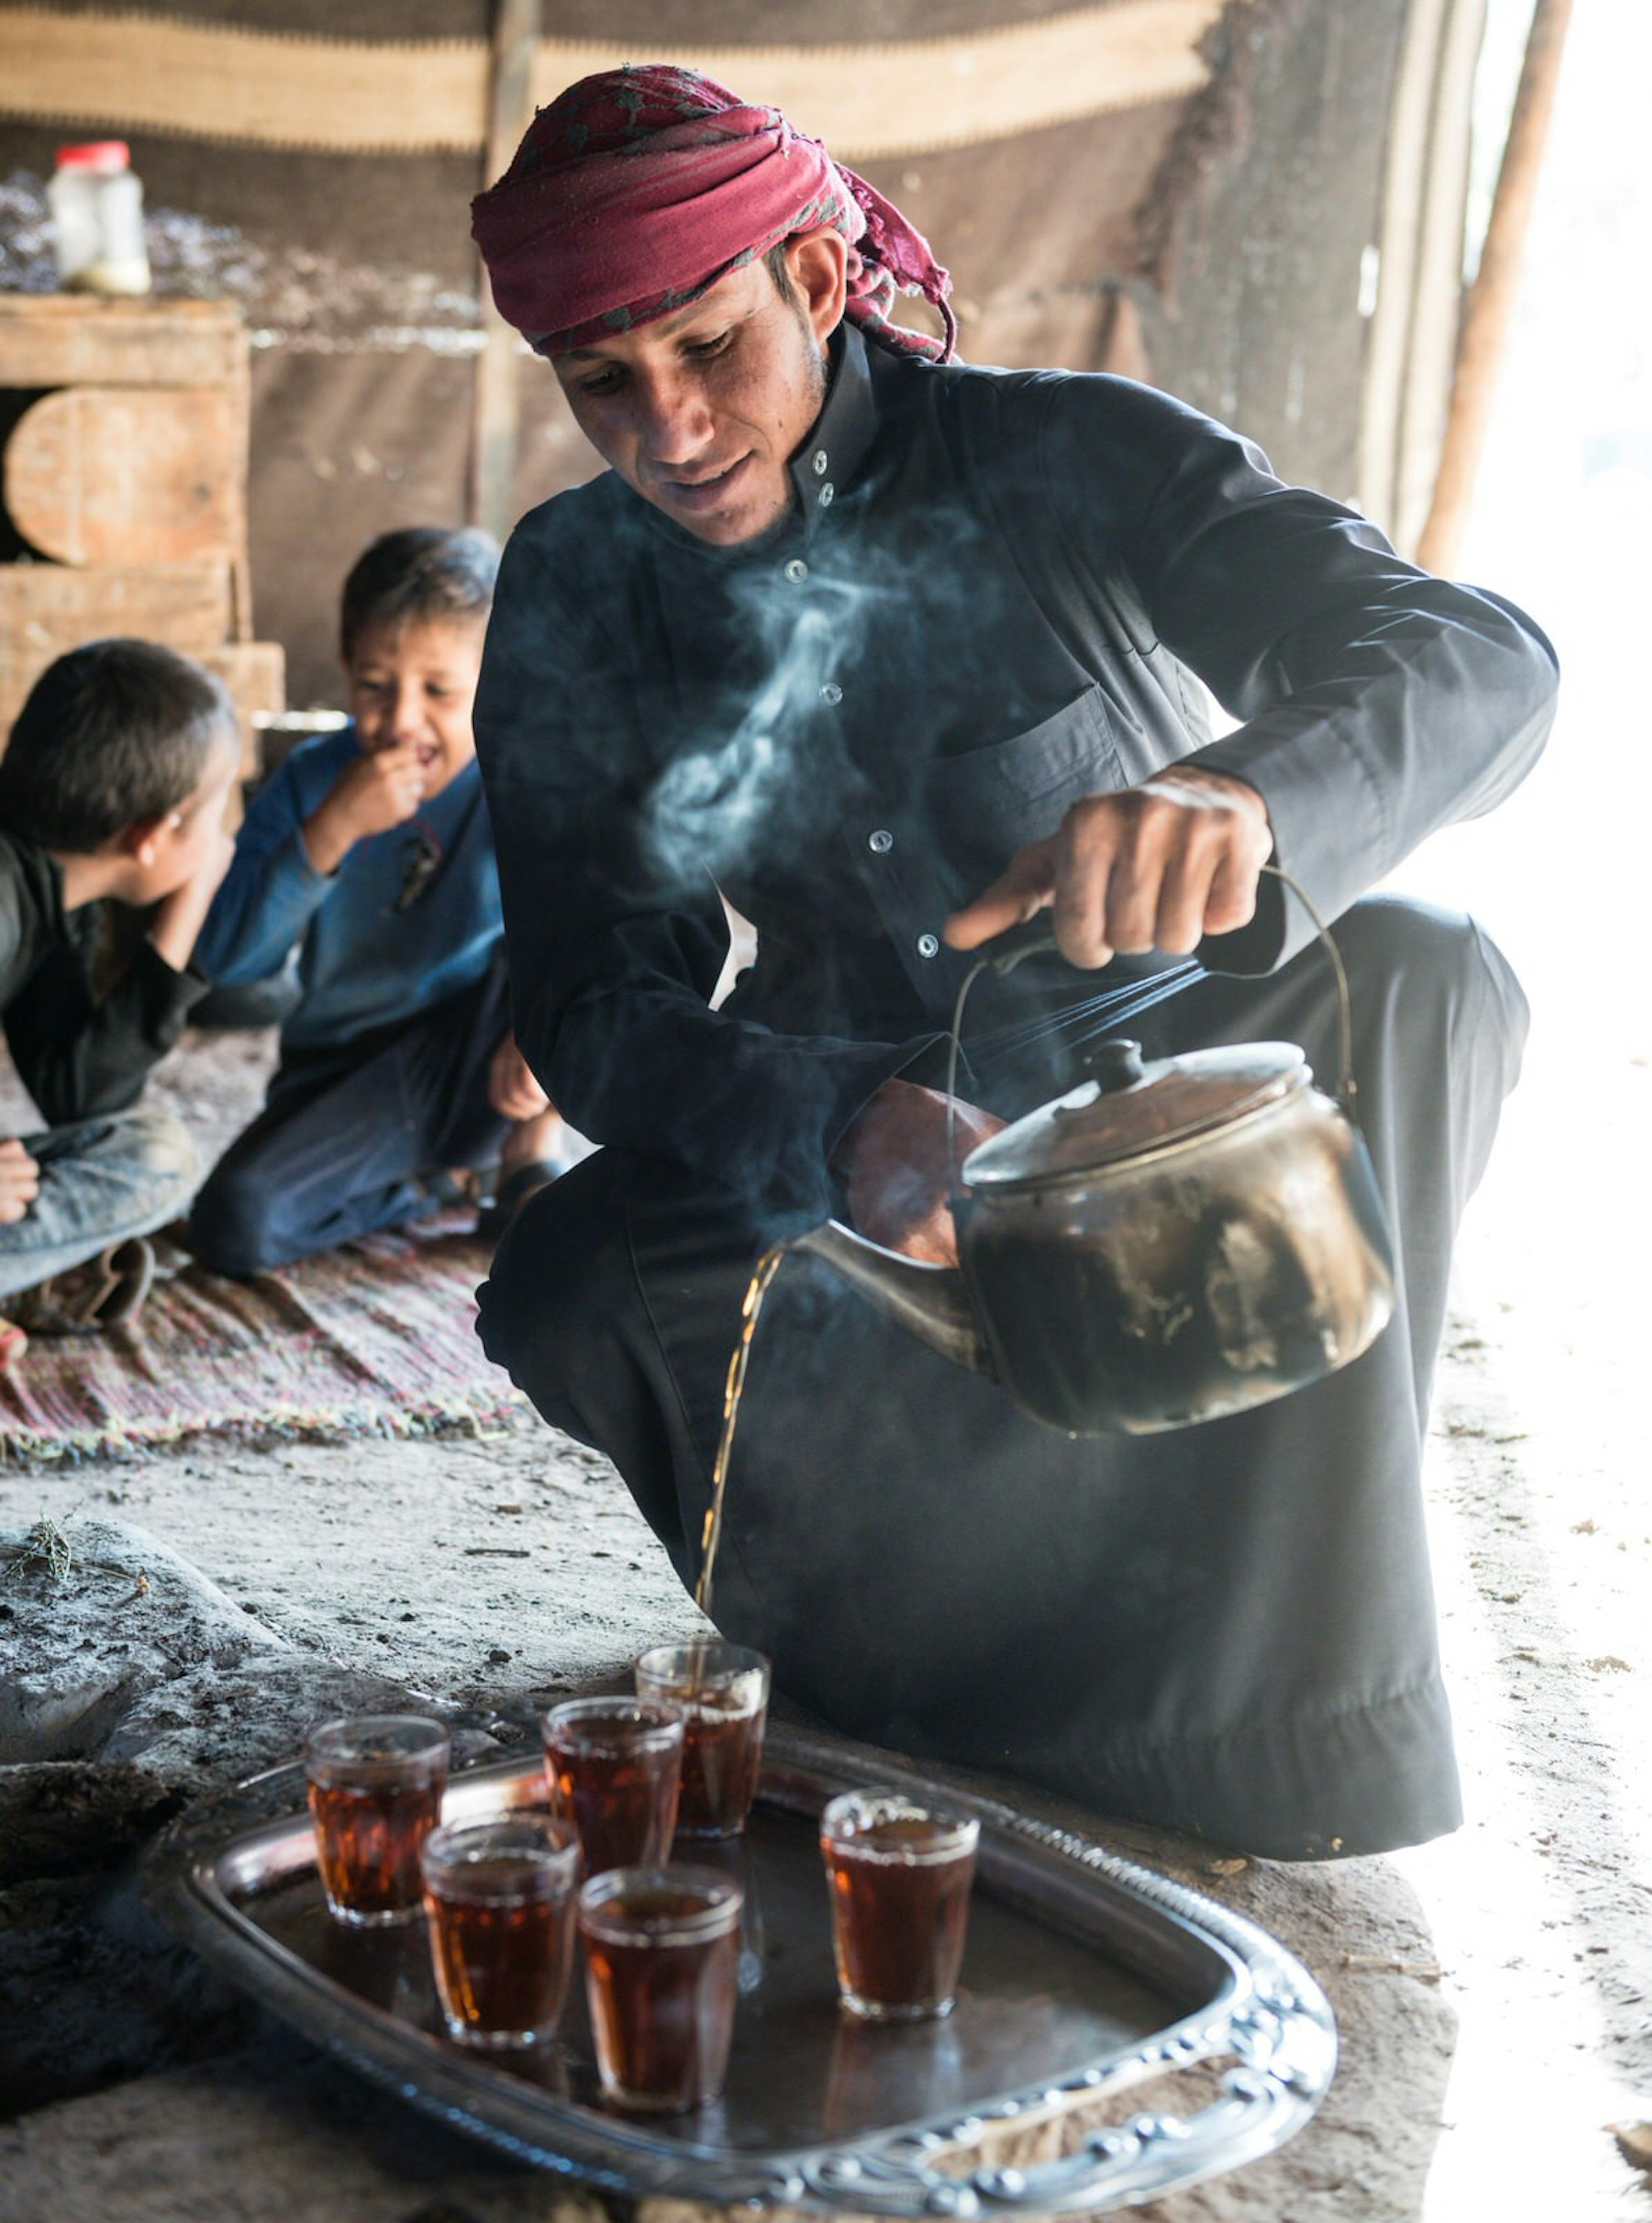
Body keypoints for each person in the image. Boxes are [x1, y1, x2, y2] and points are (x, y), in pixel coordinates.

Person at [465, 66, 1558, 1858]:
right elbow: (591, 999)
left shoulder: (1069, 447)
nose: (668, 430)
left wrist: (1247, 798)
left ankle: (1284, 1714)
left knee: (1431, 969)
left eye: (709, 347)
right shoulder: (579, 582)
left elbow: (1484, 660)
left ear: (818, 279)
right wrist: (838, 1123)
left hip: (1158, 1060)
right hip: (857, 1123)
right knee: (580, 1272)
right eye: (607, 383)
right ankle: (913, 1692)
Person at [188, 527, 573, 1276]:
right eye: (374, 685)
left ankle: (532, 1145)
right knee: (234, 1223)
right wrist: (330, 833)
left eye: (438, 691)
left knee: (607, 927)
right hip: (345, 1073)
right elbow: (228, 965)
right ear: (343, 668)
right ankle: (451, 1181)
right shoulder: (310, 781)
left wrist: (540, 1029)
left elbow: (594, 920)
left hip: (480, 1051)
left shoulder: (522, 776)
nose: (401, 720)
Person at [0, 638, 238, 1356]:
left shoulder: (56, 885)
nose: (223, 834)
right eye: (214, 813)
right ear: (152, 835)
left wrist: (185, 906)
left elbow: (83, 1094)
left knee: (153, 1152)